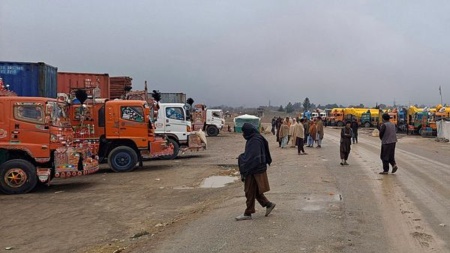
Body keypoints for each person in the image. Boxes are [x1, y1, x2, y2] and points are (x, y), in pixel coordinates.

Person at [237, 123, 276, 221]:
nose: (243, 134)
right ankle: (268, 204)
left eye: (243, 132)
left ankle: (248, 213)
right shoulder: (256, 138)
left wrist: (242, 158)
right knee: (256, 190)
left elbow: (252, 157)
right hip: (257, 168)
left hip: (254, 169)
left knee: (249, 191)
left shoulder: (254, 140)